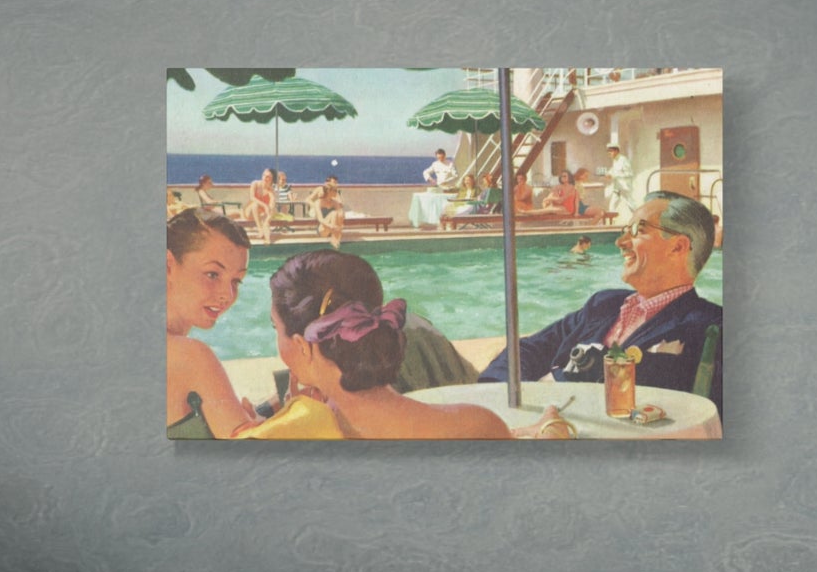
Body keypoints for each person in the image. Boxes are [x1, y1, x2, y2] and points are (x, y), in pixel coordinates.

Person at [478, 193, 723, 416]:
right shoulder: (604, 304)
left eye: (638, 230)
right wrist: (500, 398)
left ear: (678, 246)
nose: (620, 241)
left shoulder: (710, 326)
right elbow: (527, 350)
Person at [248, 250, 510, 440]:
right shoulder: (478, 426)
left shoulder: (289, 438)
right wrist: (550, 429)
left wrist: (291, 419)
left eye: (276, 328)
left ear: (302, 346)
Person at [166, 208, 257, 439]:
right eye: (213, 274)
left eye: (236, 281)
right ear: (167, 265)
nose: (227, 295)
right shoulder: (190, 356)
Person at [602, 145, 634, 225]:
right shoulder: (615, 160)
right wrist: (608, 174)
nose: (609, 153)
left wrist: (614, 176)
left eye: (611, 151)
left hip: (624, 187)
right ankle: (611, 223)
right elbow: (613, 171)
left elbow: (629, 173)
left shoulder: (623, 160)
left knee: (631, 204)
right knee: (612, 204)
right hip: (617, 187)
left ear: (616, 151)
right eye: (608, 152)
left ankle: (639, 218)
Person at [245, 166, 277, 245]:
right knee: (255, 205)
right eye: (264, 175)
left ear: (272, 179)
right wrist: (265, 206)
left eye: (268, 177)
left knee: (266, 221)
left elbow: (272, 204)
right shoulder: (255, 184)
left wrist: (269, 217)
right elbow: (252, 197)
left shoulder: (271, 190)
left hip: (260, 214)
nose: (265, 178)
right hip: (250, 212)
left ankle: (267, 240)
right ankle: (260, 229)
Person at [316, 174, 345, 247]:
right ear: (329, 191)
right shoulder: (319, 202)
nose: (336, 192)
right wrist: (331, 226)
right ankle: (334, 240)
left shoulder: (335, 202)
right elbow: (320, 219)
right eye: (335, 190)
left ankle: (335, 240)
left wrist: (339, 229)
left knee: (338, 213)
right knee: (334, 213)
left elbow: (341, 215)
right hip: (323, 229)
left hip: (334, 229)